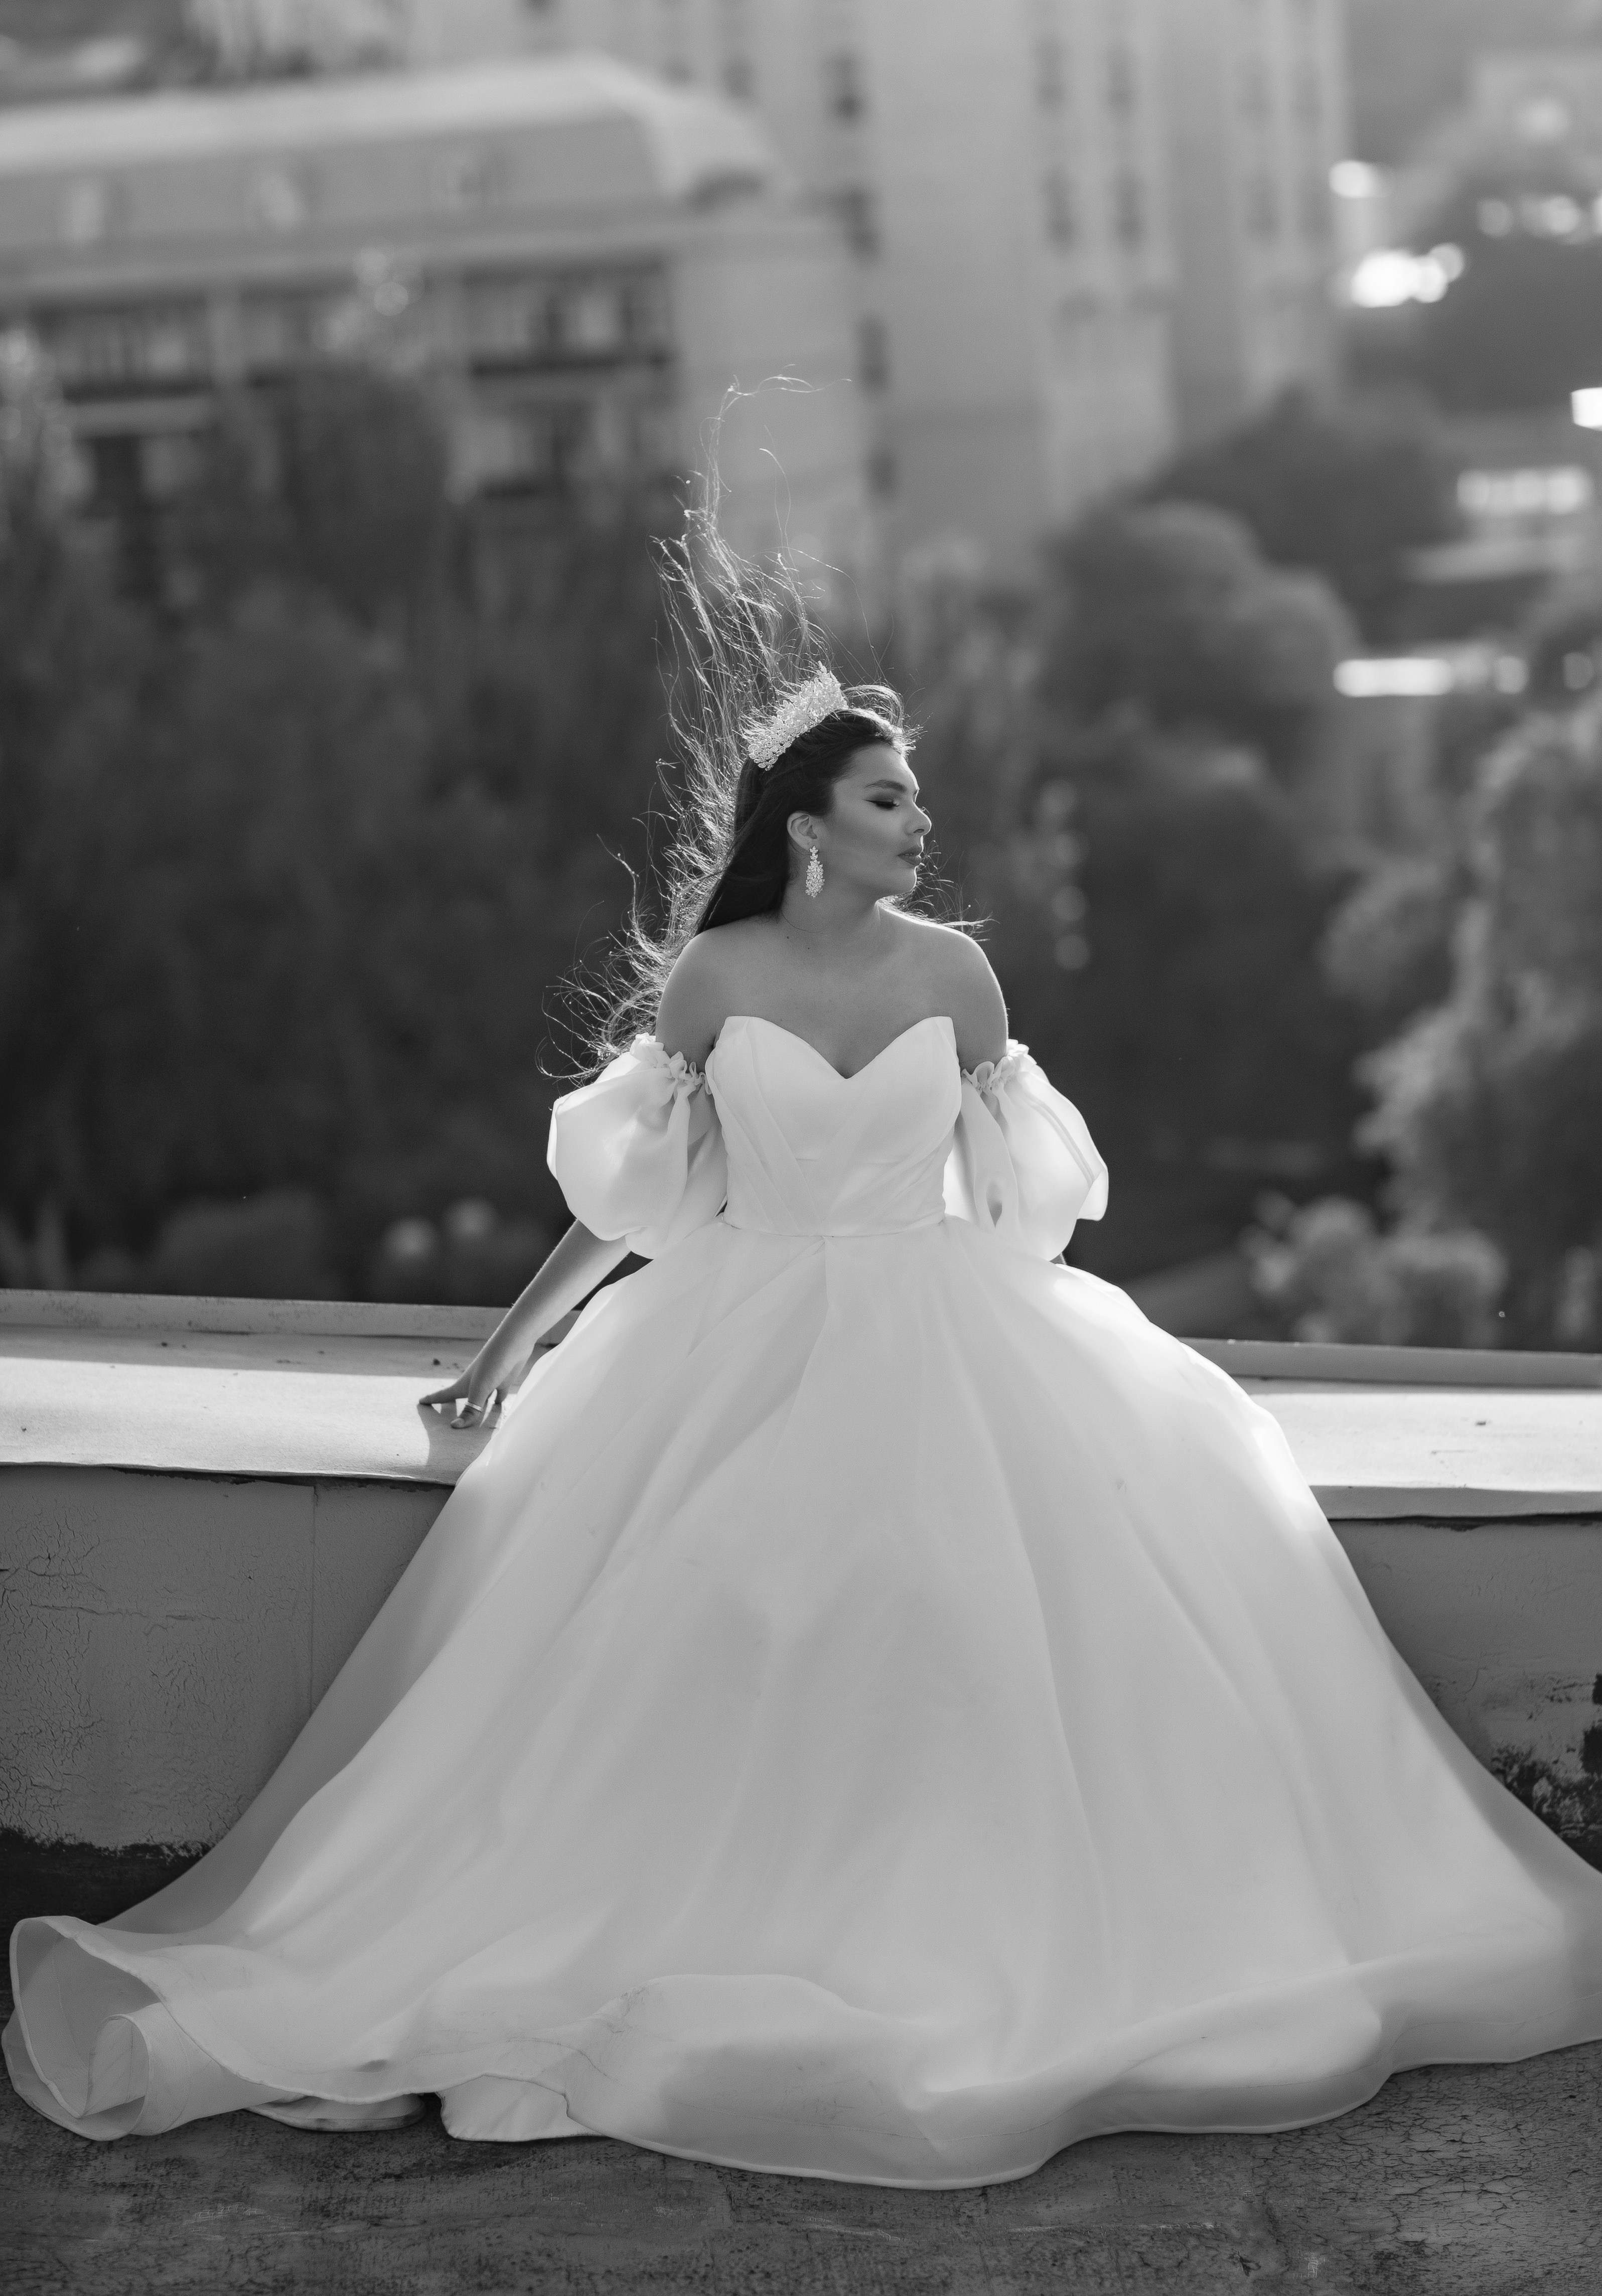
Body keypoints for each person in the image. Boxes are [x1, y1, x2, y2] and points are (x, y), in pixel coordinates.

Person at [8, 518, 1602, 2189]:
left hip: (940, 1325)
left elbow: (1024, 1200)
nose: (920, 823)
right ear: (809, 825)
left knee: (972, 1621)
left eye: (914, 797)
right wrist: (507, 1352)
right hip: (736, 1331)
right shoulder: (714, 977)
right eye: (887, 799)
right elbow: (635, 1203)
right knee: (698, 1634)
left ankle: (987, 1939)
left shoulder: (958, 976)